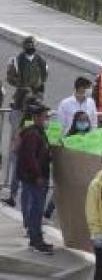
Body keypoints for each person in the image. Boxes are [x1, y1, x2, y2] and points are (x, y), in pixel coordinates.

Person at [3, 35, 48, 208]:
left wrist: (34, 91)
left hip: (32, 112)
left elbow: (44, 78)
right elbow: (10, 78)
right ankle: (14, 193)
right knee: (16, 155)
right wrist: (24, 87)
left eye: (33, 44)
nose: (30, 47)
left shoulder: (42, 62)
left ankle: (25, 194)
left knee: (33, 155)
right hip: (19, 110)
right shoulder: (16, 60)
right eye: (28, 44)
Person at [17, 103, 53, 253]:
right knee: (36, 210)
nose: (47, 120)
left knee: (37, 210)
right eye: (45, 117)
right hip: (35, 178)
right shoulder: (33, 134)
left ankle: (36, 238)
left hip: (38, 176)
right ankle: (36, 241)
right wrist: (38, 176)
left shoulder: (39, 132)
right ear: (37, 118)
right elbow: (30, 158)